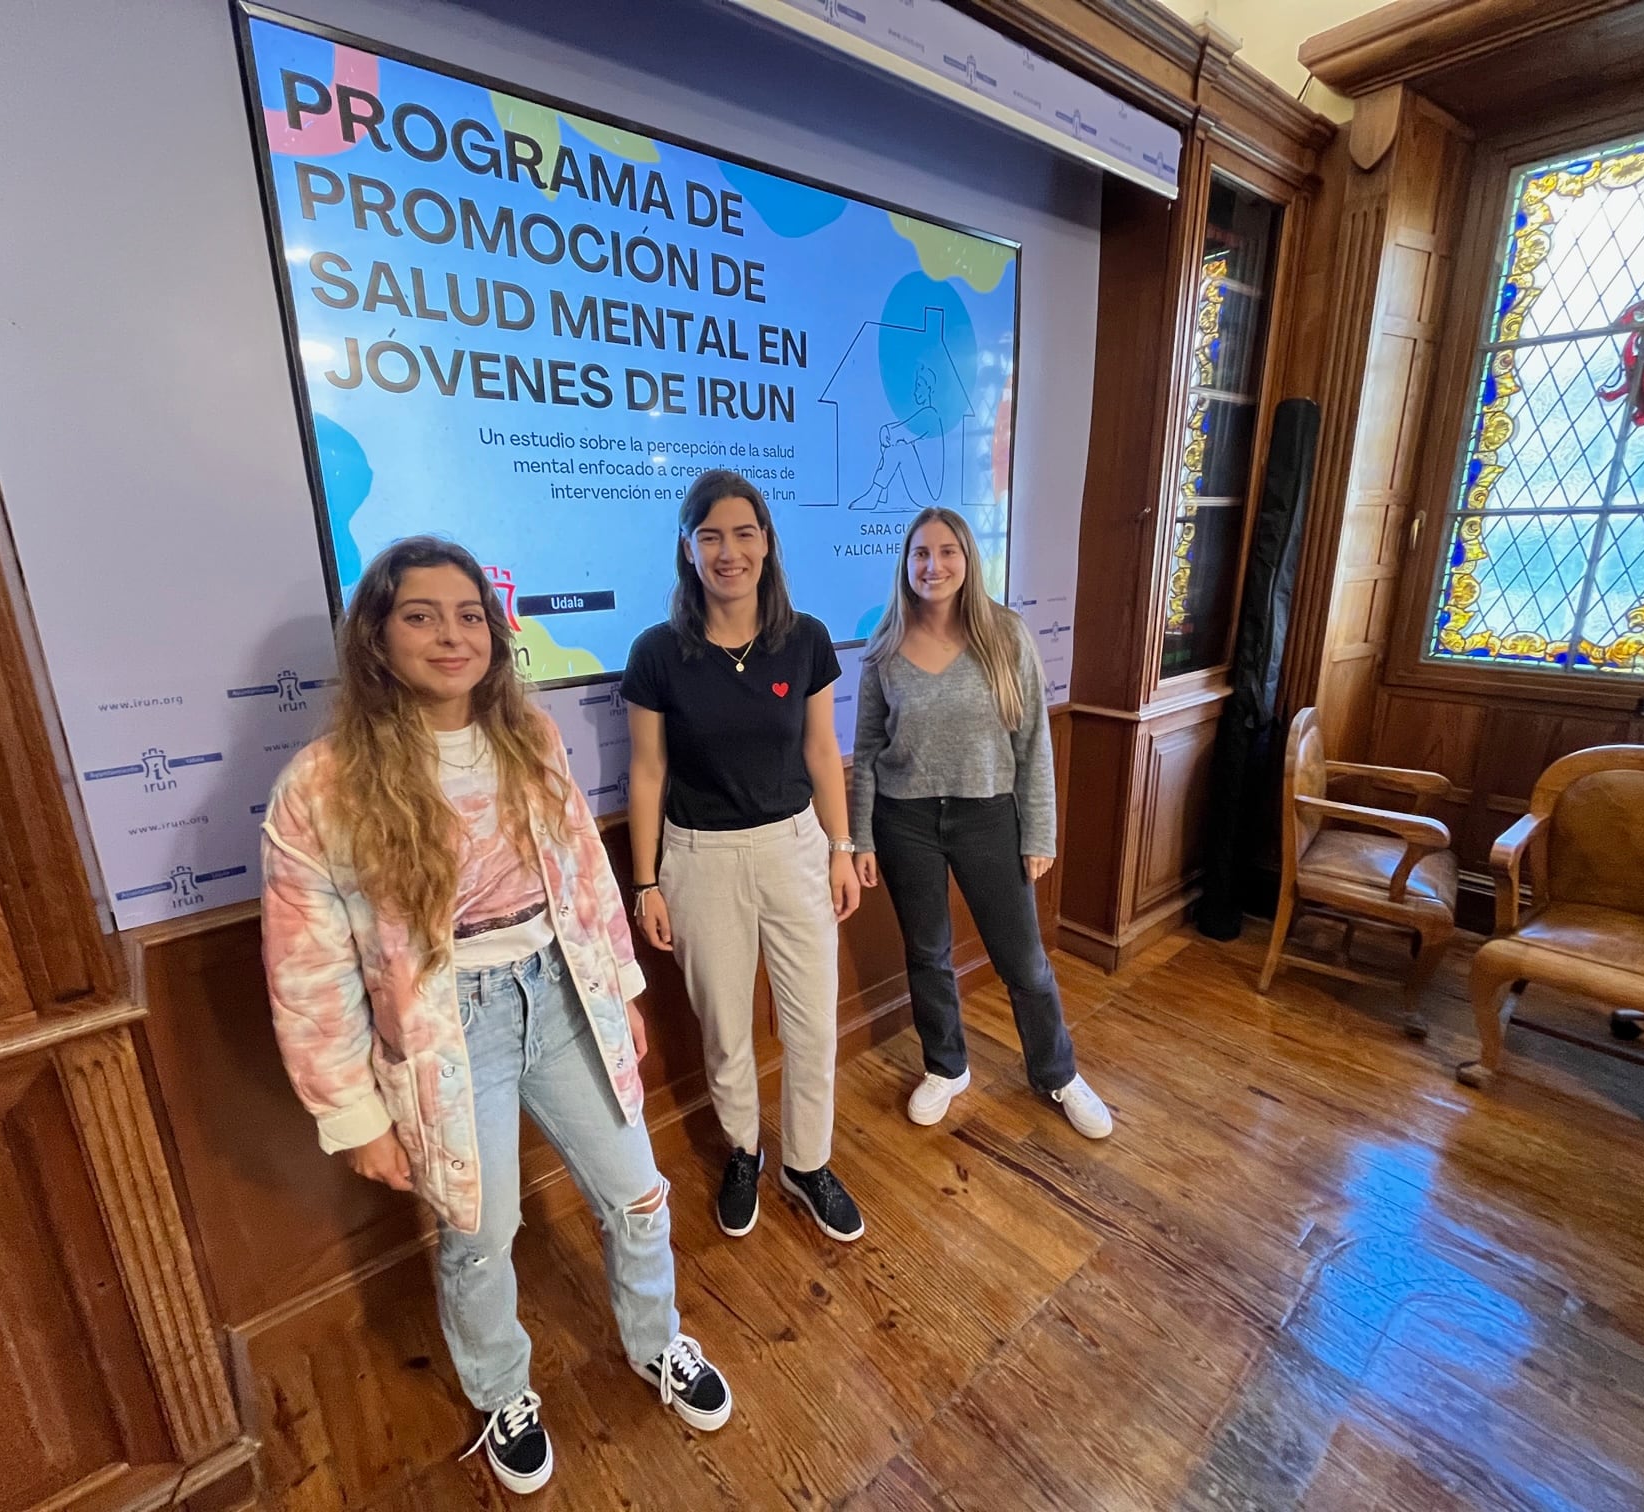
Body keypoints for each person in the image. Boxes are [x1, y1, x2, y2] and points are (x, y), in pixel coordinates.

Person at [260, 537, 730, 1498]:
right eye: (421, 615)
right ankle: (501, 1390)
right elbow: (305, 971)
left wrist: (622, 993)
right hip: (445, 1025)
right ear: (377, 637)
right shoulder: (322, 785)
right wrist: (355, 1117)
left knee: (639, 1193)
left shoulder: (532, 735)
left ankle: (659, 1341)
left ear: (496, 631)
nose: (451, 634)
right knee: (478, 1230)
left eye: (470, 614)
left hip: (559, 990)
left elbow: (584, 877)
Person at [623, 470, 867, 1244]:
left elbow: (824, 752)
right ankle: (744, 1151)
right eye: (712, 536)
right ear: (687, 550)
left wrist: (841, 847)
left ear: (767, 544)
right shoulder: (659, 652)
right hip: (699, 861)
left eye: (745, 533)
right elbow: (647, 772)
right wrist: (646, 880)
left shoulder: (806, 637)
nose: (730, 552)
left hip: (796, 847)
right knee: (726, 1029)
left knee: (812, 1025)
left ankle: (807, 1162)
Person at [851, 508, 1112, 1138]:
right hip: (904, 819)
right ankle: (947, 1066)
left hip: (988, 816)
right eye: (920, 553)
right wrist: (860, 836)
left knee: (1023, 961)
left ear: (968, 559)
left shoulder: (1006, 635)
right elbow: (864, 753)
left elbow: (1033, 744)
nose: (932, 566)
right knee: (928, 954)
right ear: (905, 563)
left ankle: (1057, 1073)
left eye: (947, 552)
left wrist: (1040, 833)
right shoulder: (883, 647)